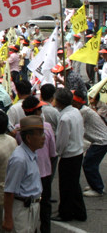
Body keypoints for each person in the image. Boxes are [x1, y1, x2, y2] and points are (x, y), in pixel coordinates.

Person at [18, 97, 57, 233]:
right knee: (45, 205)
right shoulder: (47, 128)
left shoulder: (20, 129)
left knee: (29, 205)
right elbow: (53, 153)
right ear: (37, 112)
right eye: (39, 109)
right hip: (44, 172)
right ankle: (46, 229)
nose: (41, 111)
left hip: (28, 173)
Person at [3, 116, 45, 233]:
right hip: (22, 209)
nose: (44, 138)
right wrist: (8, 219)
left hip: (32, 207)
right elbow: (9, 191)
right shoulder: (19, 159)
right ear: (29, 138)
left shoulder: (31, 153)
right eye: (40, 134)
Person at [52, 88, 87, 222]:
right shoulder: (75, 111)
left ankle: (65, 213)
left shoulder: (65, 118)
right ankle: (79, 211)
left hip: (69, 156)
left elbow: (62, 140)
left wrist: (57, 152)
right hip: (77, 152)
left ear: (59, 102)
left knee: (66, 186)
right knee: (73, 184)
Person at [71, 90, 107, 197]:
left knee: (89, 164)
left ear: (76, 103)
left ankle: (98, 188)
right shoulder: (85, 110)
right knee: (90, 163)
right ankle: (95, 185)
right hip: (100, 140)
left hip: (101, 141)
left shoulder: (83, 112)